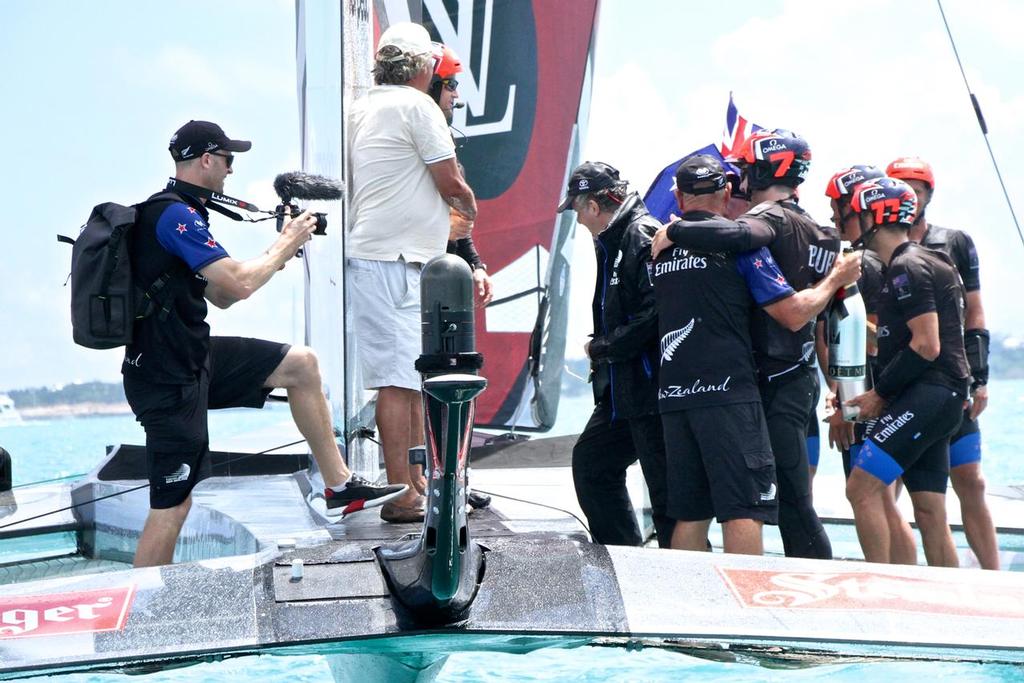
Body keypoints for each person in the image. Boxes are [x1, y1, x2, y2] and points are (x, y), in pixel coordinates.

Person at [124, 120, 406, 567]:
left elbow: (220, 295)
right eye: (229, 160)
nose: (232, 171)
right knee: (172, 505)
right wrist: (285, 242)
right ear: (206, 160)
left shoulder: (186, 213)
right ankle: (139, 610)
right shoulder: (173, 214)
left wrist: (278, 255)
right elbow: (237, 285)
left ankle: (339, 488)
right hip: (166, 376)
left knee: (301, 364)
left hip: (192, 358)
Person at [652, 131, 860, 560]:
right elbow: (823, 321)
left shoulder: (759, 227)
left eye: (746, 170)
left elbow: (789, 303)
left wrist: (677, 228)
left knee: (749, 507)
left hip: (749, 385)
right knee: (775, 503)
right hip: (781, 380)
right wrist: (836, 384)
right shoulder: (821, 231)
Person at [347, 23, 477, 523]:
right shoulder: (419, 106)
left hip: (384, 258)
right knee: (399, 381)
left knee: (401, 377)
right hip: (394, 261)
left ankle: (411, 481)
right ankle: (402, 494)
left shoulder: (360, 107)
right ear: (424, 68)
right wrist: (469, 207)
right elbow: (449, 179)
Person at [844, 177, 971, 567]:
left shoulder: (905, 266)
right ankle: (947, 609)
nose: (852, 220)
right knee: (931, 511)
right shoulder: (920, 260)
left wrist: (878, 393)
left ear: (875, 217)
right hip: (941, 398)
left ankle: (877, 591)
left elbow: (926, 344)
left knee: (861, 488)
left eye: (858, 213)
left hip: (929, 395)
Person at [887, 156, 998, 570]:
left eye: (914, 191)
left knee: (971, 480)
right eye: (897, 190)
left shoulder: (955, 242)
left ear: (928, 196)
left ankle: (995, 580)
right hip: (903, 384)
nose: (906, 198)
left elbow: (976, 313)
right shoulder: (877, 246)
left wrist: (980, 378)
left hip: (952, 382)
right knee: (889, 485)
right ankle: (896, 574)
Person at [557, 161, 672, 547]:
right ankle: (624, 556)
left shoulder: (640, 233)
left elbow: (655, 314)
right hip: (623, 390)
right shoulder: (614, 238)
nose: (576, 219)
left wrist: (601, 347)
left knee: (666, 493)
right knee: (592, 463)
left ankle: (685, 575)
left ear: (592, 206)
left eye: (575, 209)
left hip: (649, 388)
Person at [822, 164, 918, 565]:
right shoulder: (873, 260)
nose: (831, 216)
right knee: (883, 496)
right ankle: (902, 583)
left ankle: (881, 582)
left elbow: (864, 336)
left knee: (866, 494)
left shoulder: (864, 263)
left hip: (867, 392)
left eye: (836, 208)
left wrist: (848, 402)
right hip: (879, 390)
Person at [428, 41, 493, 307]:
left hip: (441, 282)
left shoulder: (447, 154)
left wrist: (476, 265)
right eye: (450, 85)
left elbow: (457, 226)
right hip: (416, 278)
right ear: (431, 86)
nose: (456, 96)